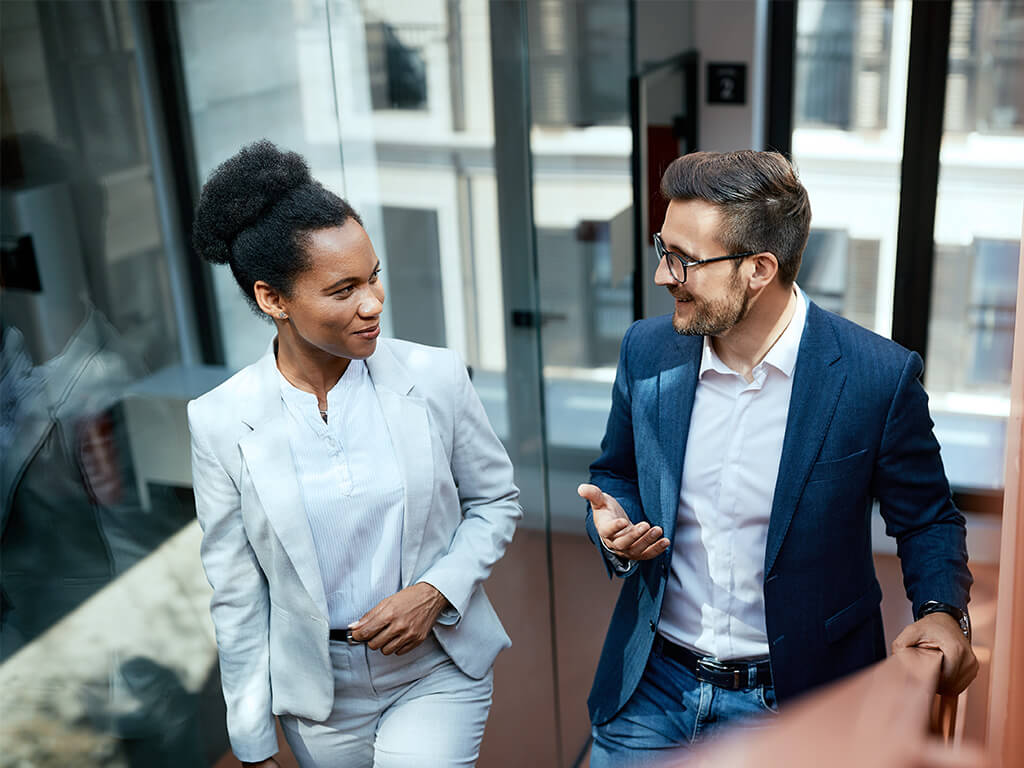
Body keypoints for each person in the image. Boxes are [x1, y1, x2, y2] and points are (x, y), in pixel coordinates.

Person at [578, 150, 977, 766]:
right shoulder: (645, 351)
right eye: (663, 247)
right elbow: (616, 472)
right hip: (650, 691)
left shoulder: (876, 378)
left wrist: (941, 612)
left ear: (759, 269)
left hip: (799, 698)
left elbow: (926, 518)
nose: (663, 275)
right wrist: (615, 525)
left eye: (683, 259)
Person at [188, 140, 521, 767]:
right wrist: (254, 744)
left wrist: (436, 590)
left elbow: (495, 501)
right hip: (320, 698)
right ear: (272, 299)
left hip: (436, 670)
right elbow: (236, 592)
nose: (372, 303)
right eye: (343, 290)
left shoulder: (436, 377)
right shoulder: (219, 422)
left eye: (373, 276)